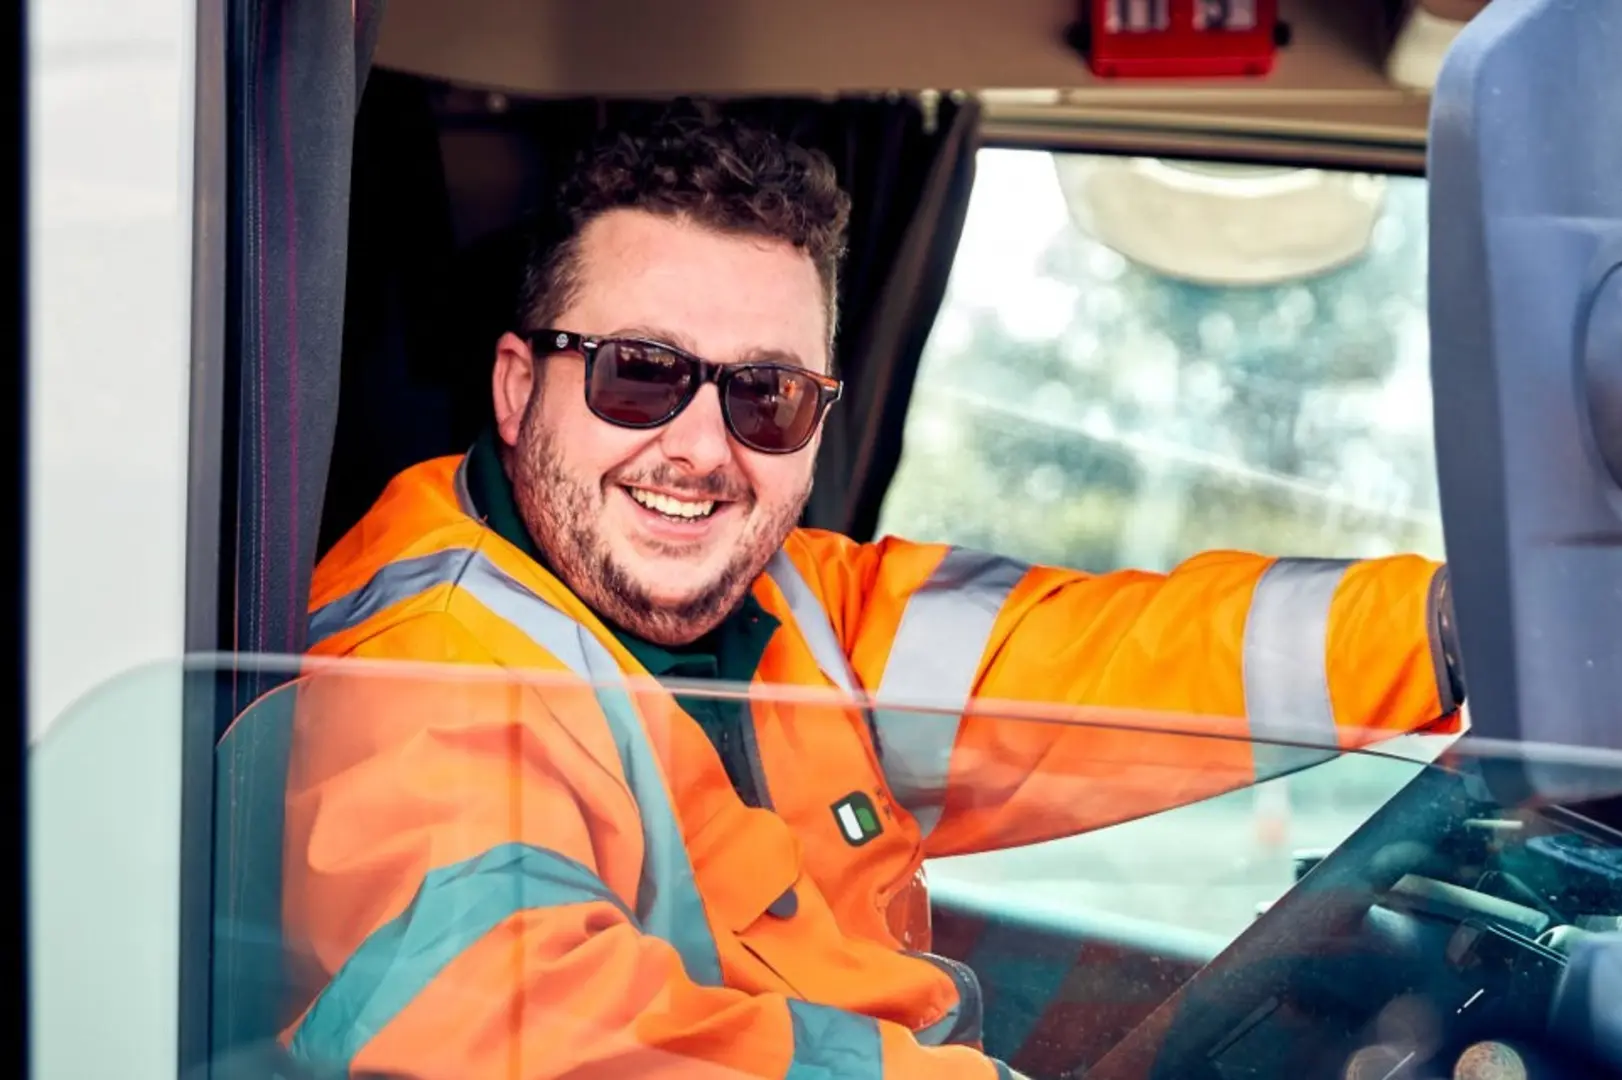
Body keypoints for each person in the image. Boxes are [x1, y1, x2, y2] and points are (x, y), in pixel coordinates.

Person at [273, 101, 1466, 1080]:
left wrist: (1457, 634)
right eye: (641, 375)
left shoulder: (799, 600)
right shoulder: (427, 660)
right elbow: (508, 1028)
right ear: (517, 388)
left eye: (767, 397)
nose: (700, 449)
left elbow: (1120, 661)